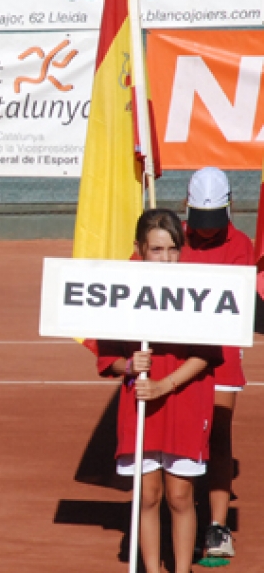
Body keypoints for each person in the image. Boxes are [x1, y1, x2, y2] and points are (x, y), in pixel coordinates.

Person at [97, 209, 221, 573]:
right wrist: (130, 366)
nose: (166, 258)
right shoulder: (120, 290)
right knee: (147, 495)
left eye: (172, 249)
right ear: (139, 248)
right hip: (140, 407)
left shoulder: (199, 289)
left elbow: (208, 353)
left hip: (184, 402)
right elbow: (109, 358)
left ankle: (181, 569)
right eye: (156, 249)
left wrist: (166, 384)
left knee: (180, 496)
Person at [179, 167, 252, 559]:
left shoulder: (240, 244)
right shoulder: (170, 240)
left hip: (221, 355)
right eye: (199, 221)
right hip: (177, 354)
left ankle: (217, 527)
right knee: (183, 437)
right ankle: (181, 518)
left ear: (230, 208)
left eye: (214, 222)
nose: (206, 231)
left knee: (218, 435)